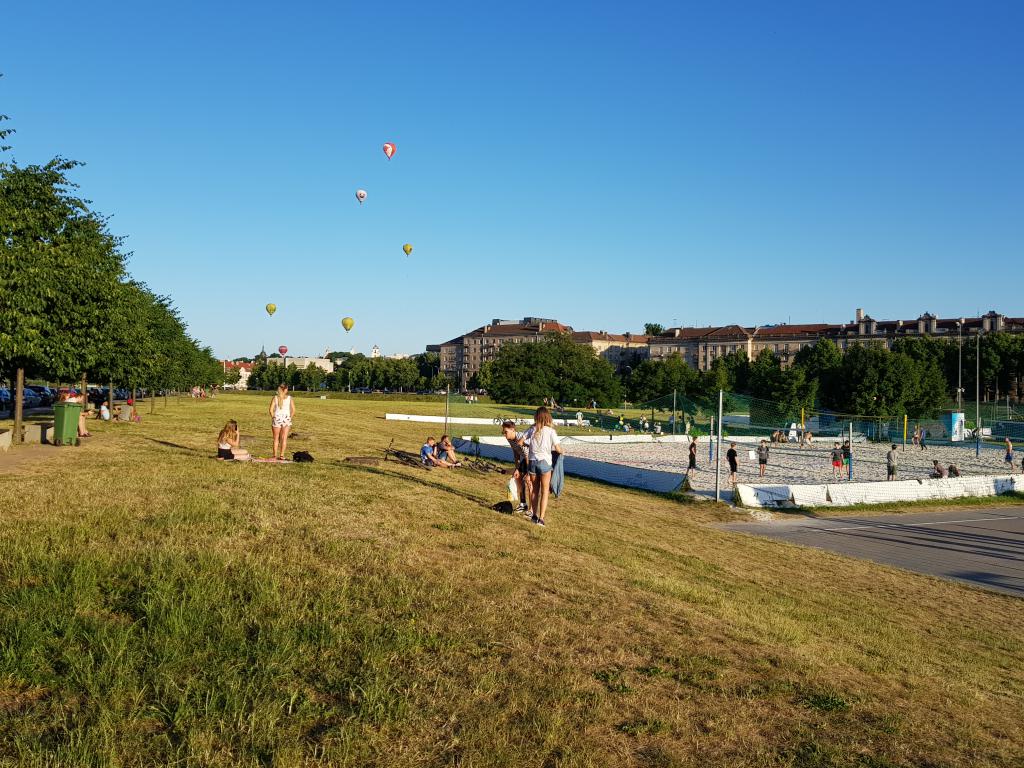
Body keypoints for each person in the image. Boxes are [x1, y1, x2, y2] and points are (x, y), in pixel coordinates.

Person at [523, 406, 563, 526]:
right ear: (548, 417)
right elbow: (558, 448)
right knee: (545, 491)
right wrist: (562, 453)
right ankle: (541, 519)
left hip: (532, 462)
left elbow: (520, 441)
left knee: (535, 491)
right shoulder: (551, 431)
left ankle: (534, 516)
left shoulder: (532, 429)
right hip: (545, 462)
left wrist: (528, 447)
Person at [502, 420, 531, 513]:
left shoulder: (520, 438)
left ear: (513, 430)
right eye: (503, 432)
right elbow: (516, 454)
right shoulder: (509, 439)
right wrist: (517, 469)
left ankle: (531, 510)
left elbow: (527, 455)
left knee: (529, 482)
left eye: (505, 432)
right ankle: (523, 504)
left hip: (533, 459)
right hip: (525, 458)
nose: (504, 434)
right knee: (518, 477)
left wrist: (529, 472)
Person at [269, 384, 295, 461]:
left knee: (276, 438)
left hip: (277, 418)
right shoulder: (289, 398)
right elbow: (293, 410)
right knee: (284, 438)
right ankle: (282, 455)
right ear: (285, 390)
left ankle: (274, 455)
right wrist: (290, 417)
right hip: (286, 418)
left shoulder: (275, 398)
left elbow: (270, 410)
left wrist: (273, 417)